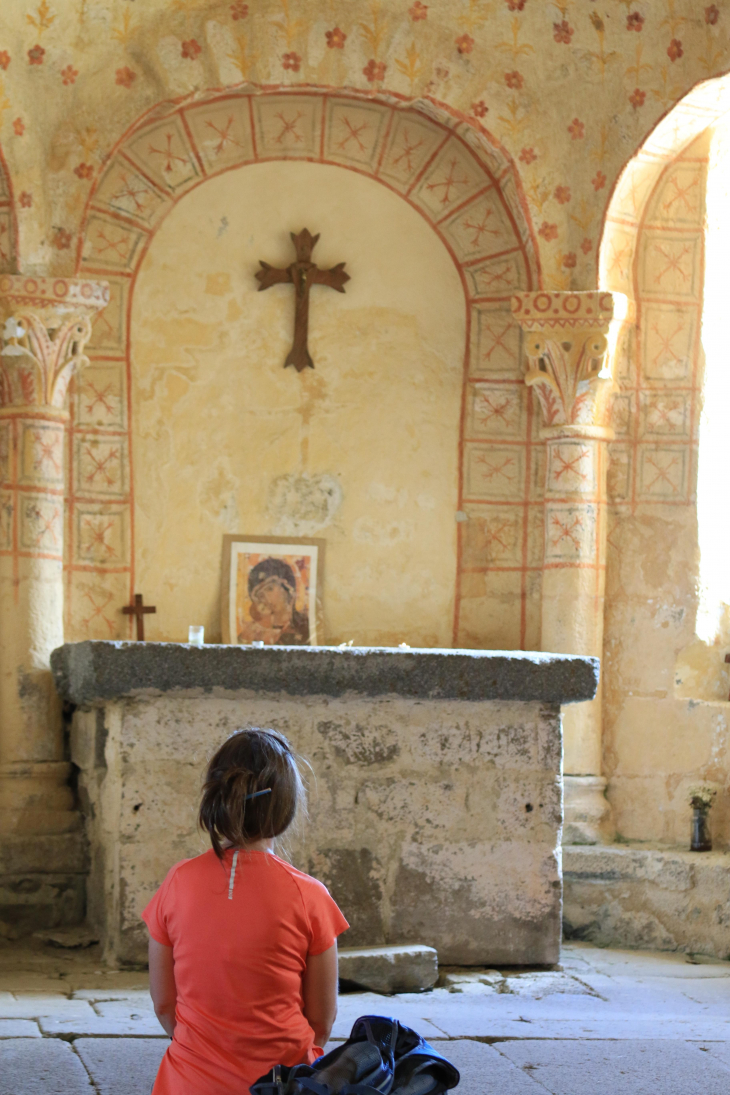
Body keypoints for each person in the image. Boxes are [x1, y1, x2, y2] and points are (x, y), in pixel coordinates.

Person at [142, 728, 349, 1094]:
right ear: (286, 808)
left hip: (187, 1083)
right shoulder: (309, 896)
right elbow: (321, 1020)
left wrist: (207, 1054)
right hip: (281, 1084)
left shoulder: (177, 882)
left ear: (216, 797)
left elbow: (164, 1005)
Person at [237, 557, 311, 646]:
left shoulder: (305, 628)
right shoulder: (253, 632)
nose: (265, 597)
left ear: (288, 590)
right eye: (259, 595)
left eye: (270, 589)